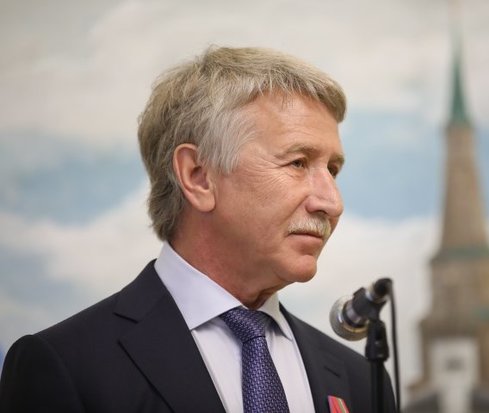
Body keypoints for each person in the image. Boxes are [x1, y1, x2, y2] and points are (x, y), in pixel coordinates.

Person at [0, 46, 396, 413]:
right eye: (298, 163)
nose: (332, 202)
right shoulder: (67, 366)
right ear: (198, 176)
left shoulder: (362, 381)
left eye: (333, 170)